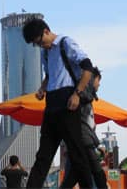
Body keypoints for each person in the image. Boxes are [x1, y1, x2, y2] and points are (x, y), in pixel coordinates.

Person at [22, 18, 99, 189]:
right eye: (37, 45)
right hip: (51, 105)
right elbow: (49, 75)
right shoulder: (46, 53)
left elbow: (88, 67)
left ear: (47, 31)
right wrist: (42, 88)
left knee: (77, 154)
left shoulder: (66, 43)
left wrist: (77, 94)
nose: (41, 46)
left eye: (40, 41)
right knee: (43, 156)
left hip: (68, 102)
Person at [62, 67, 106, 189]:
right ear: (92, 79)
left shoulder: (87, 97)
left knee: (74, 176)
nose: (99, 84)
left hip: (81, 141)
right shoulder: (83, 97)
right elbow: (84, 125)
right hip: (84, 141)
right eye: (98, 80)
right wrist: (97, 144)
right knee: (99, 175)